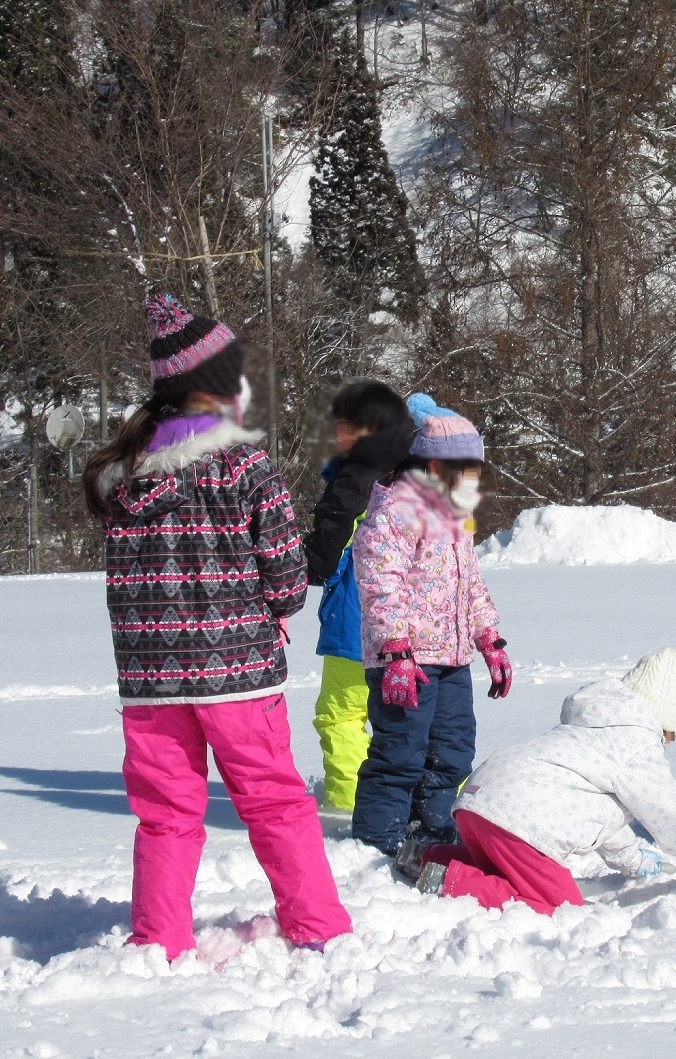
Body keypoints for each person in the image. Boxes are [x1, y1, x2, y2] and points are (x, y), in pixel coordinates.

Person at [83, 293, 352, 960]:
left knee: (165, 815)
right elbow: (288, 576)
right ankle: (316, 923)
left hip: (150, 684)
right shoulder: (243, 465)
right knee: (275, 802)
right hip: (237, 674)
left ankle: (158, 938)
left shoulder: (125, 475)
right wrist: (272, 610)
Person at [417, 648, 676, 913]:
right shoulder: (635, 746)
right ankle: (453, 883)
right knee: (558, 906)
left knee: (500, 866)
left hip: (479, 804)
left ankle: (429, 858)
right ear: (661, 718)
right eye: (666, 736)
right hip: (517, 823)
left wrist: (634, 861)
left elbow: (602, 815)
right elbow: (673, 819)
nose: (663, 745)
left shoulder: (593, 733)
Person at [350, 395, 511, 860]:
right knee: (400, 752)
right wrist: (396, 651)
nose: (473, 479)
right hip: (409, 662)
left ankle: (433, 825)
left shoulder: (456, 516)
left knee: (454, 749)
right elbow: (380, 584)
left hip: (454, 658)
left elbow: (471, 584)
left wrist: (489, 638)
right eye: (467, 469)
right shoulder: (395, 514)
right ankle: (378, 843)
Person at [305, 380, 415, 815]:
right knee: (411, 715)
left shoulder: (353, 479)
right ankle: (431, 796)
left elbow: (325, 556)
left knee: (342, 712)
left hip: (359, 618)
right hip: (419, 620)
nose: (337, 435)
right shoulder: (422, 473)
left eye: (344, 426)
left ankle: (349, 802)